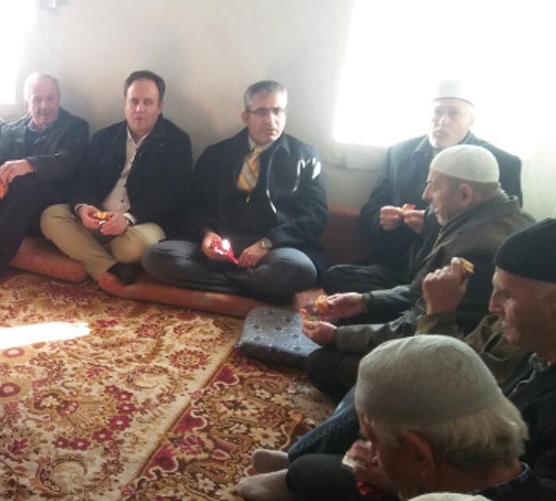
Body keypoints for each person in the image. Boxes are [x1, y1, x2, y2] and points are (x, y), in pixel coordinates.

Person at [238, 219, 556, 500]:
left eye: (507, 295)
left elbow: (444, 377)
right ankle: (299, 461)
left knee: (311, 471)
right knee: (380, 381)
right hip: (451, 449)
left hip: (453, 473)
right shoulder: (536, 350)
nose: (493, 306)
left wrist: (409, 482)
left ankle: (296, 466)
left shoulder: (479, 249)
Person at [302, 145, 534, 401]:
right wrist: (364, 301)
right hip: (434, 332)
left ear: (465, 194)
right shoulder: (507, 217)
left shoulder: (476, 250)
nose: (426, 195)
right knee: (347, 317)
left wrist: (339, 337)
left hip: (448, 361)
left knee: (322, 363)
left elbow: (423, 327)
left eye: (433, 186)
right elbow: (421, 290)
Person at [324, 81, 523, 295]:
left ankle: (400, 303)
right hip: (397, 264)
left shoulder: (500, 163)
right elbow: (369, 213)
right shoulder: (399, 153)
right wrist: (381, 220)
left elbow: (497, 230)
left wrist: (431, 226)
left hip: (449, 268)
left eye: (453, 113)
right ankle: (398, 302)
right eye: (438, 112)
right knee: (335, 277)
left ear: (471, 120)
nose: (443, 121)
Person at [142, 80, 326, 303]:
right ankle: (251, 286)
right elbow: (193, 204)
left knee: (300, 269)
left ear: (285, 113)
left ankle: (222, 283)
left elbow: (315, 216)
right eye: (261, 112)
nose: (271, 120)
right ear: (246, 117)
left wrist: (267, 243)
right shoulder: (216, 154)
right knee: (155, 257)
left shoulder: (305, 157)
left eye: (277, 111)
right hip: (220, 242)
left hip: (273, 250)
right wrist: (206, 234)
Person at [40, 70, 192, 285]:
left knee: (132, 248)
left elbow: (169, 193)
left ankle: (88, 253)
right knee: (51, 216)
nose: (139, 109)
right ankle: (111, 267)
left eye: (148, 102)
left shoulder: (177, 142)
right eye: (134, 101)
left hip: (140, 225)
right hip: (100, 219)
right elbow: (84, 180)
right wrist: (83, 208)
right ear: (125, 103)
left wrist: (128, 218)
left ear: (160, 106)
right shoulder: (104, 137)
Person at [0, 72, 89, 284]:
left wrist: (29, 164)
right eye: (37, 99)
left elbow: (67, 163)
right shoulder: (12, 130)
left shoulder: (76, 127)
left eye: (50, 98)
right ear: (27, 102)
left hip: (52, 203)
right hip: (13, 205)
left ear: (59, 99)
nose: (44, 105)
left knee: (26, 181)